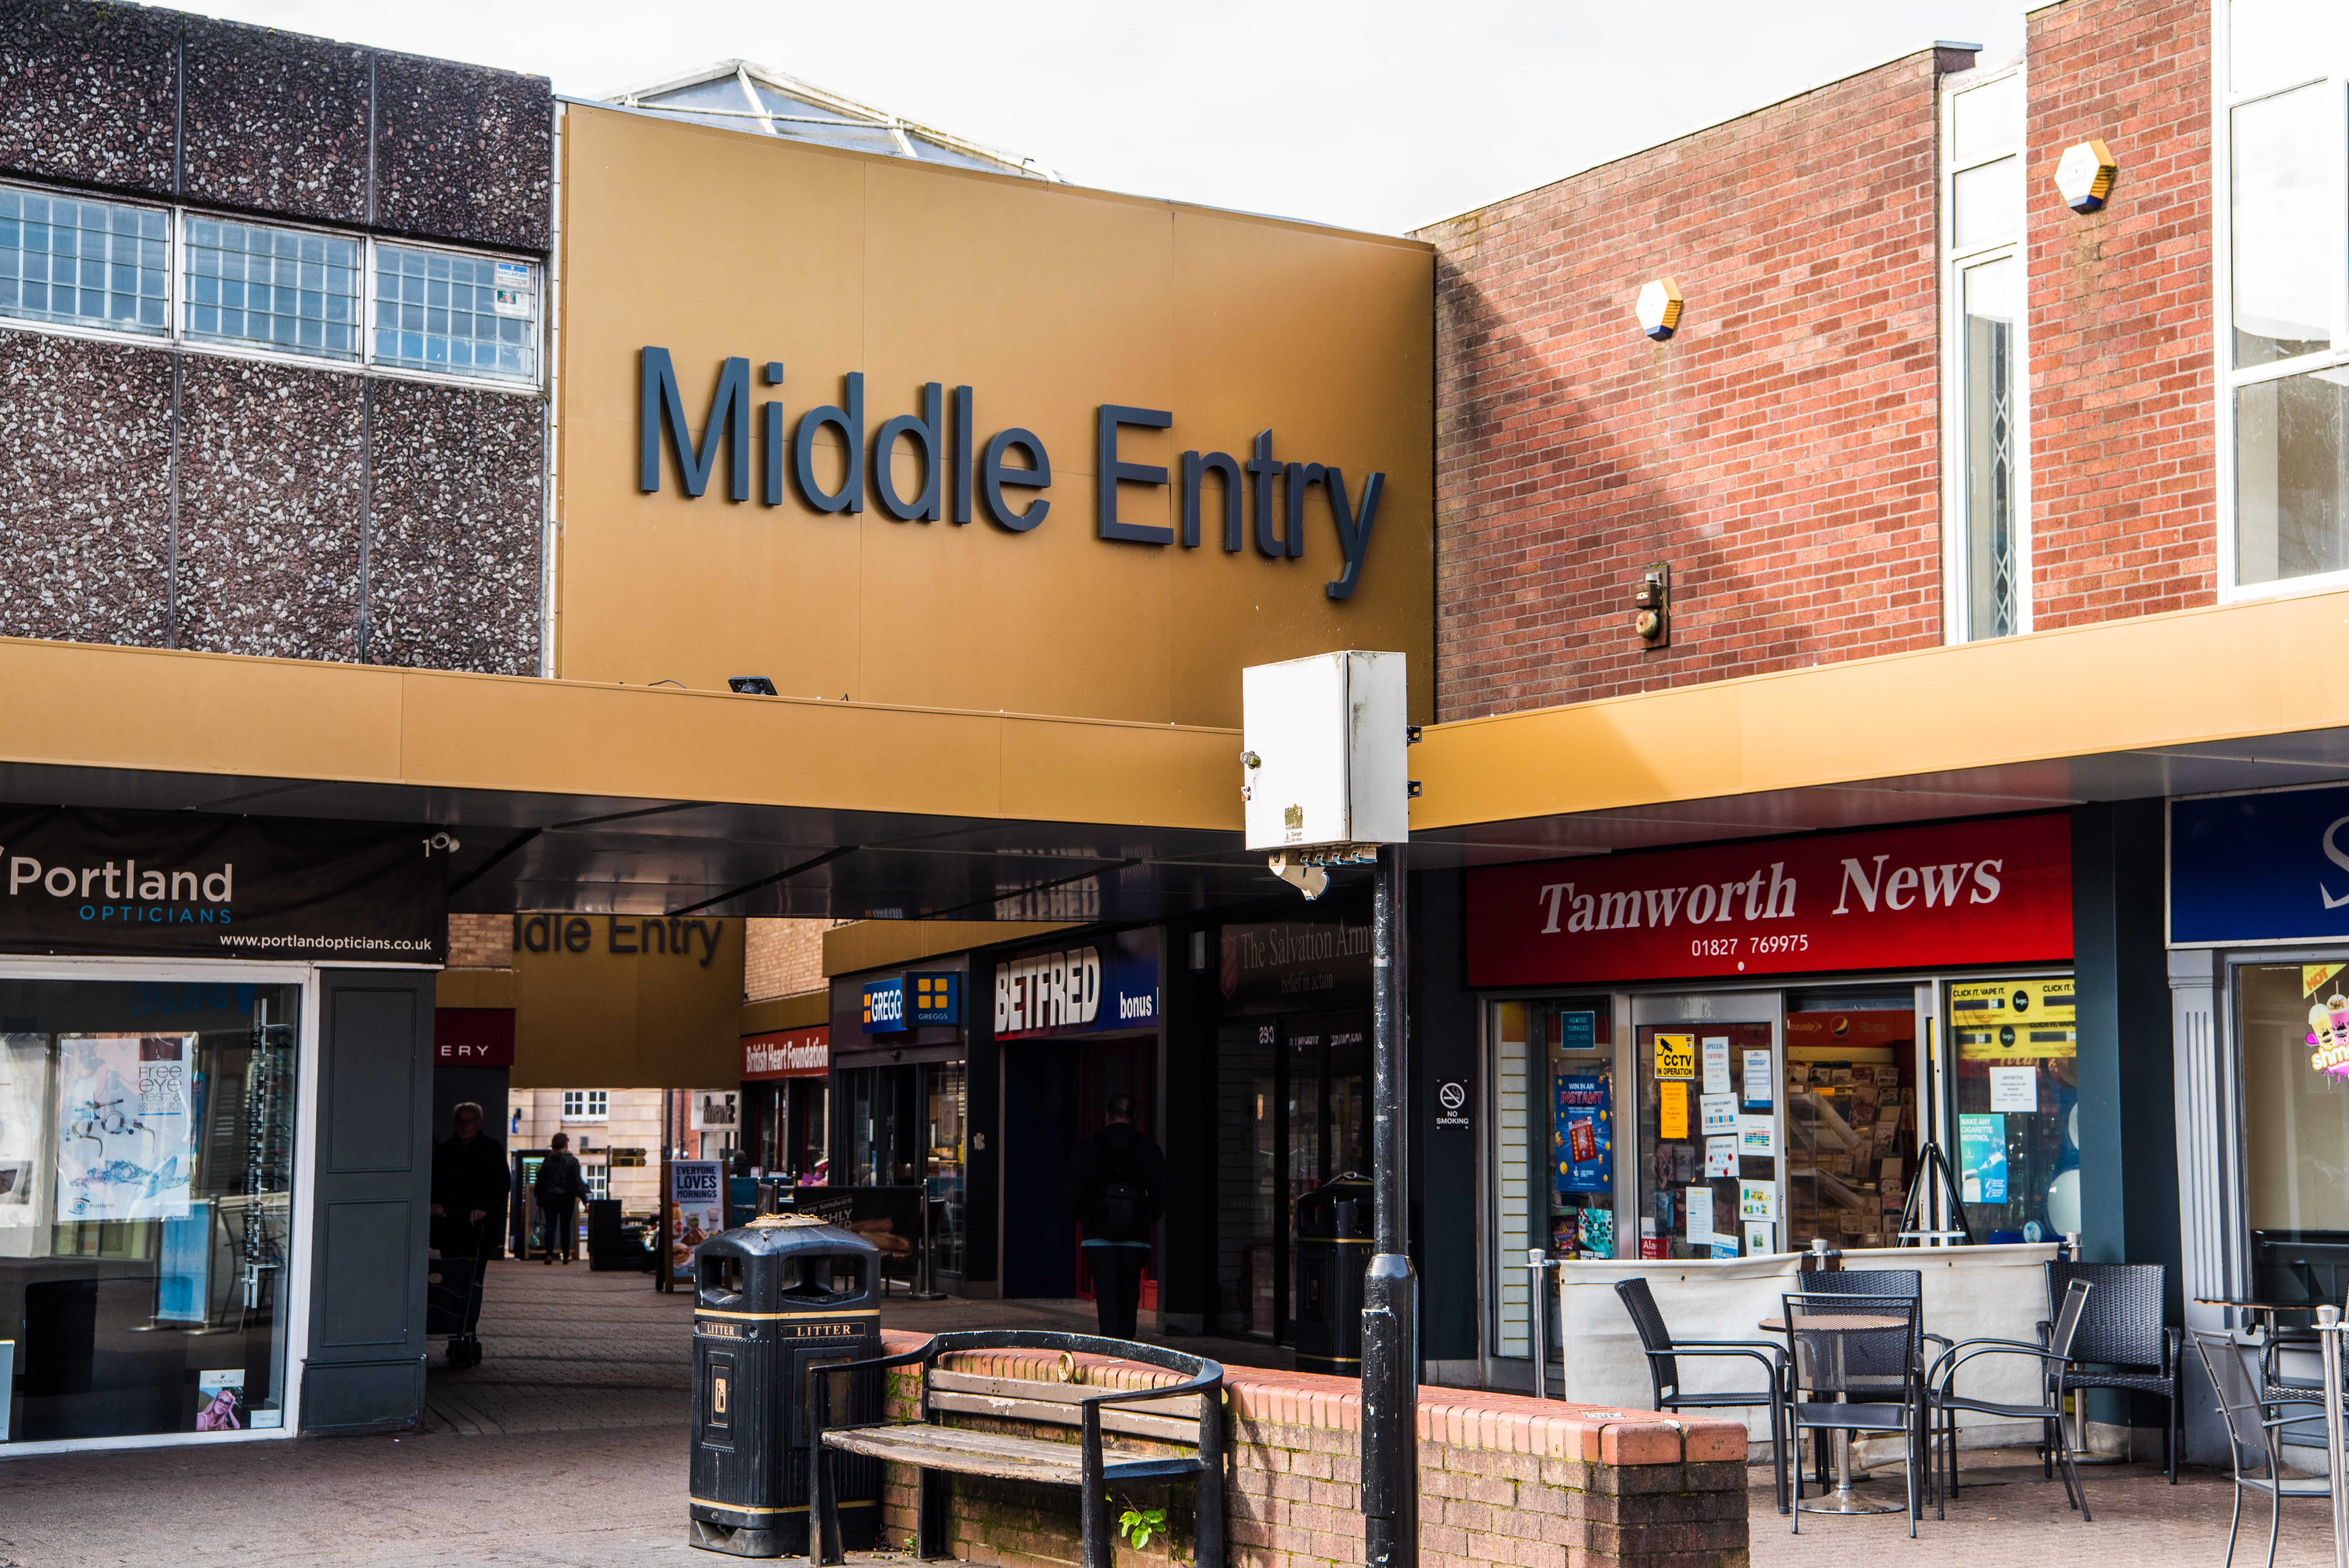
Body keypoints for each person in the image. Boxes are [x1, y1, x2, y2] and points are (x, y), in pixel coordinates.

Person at [1061, 1093, 1163, 1340]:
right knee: (1130, 1298)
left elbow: (1070, 1192)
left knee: (1107, 1297)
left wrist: (1086, 1218)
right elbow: (1162, 1195)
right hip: (1136, 1240)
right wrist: (1143, 1220)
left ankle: (1109, 1354)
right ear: (1134, 1118)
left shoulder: (1089, 1146)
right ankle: (1127, 1352)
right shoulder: (1148, 1148)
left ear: (1107, 1116)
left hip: (1098, 1239)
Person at [429, 1101, 506, 1259]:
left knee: (474, 1276)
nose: (464, 1126)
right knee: (450, 1273)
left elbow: (501, 1183)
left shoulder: (492, 1150)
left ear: (479, 1123)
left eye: (469, 1121)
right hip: (449, 1224)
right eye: (460, 1120)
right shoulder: (444, 1151)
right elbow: (433, 1181)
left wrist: (484, 1207)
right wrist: (435, 1203)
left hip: (480, 1227)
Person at [533, 1132, 588, 1264]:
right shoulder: (573, 1161)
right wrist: (585, 1201)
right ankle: (566, 1255)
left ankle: (549, 1254)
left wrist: (539, 1202)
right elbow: (578, 1183)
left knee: (551, 1226)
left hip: (549, 1197)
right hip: (567, 1198)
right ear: (566, 1144)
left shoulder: (548, 1160)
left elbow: (541, 1182)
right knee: (565, 1226)